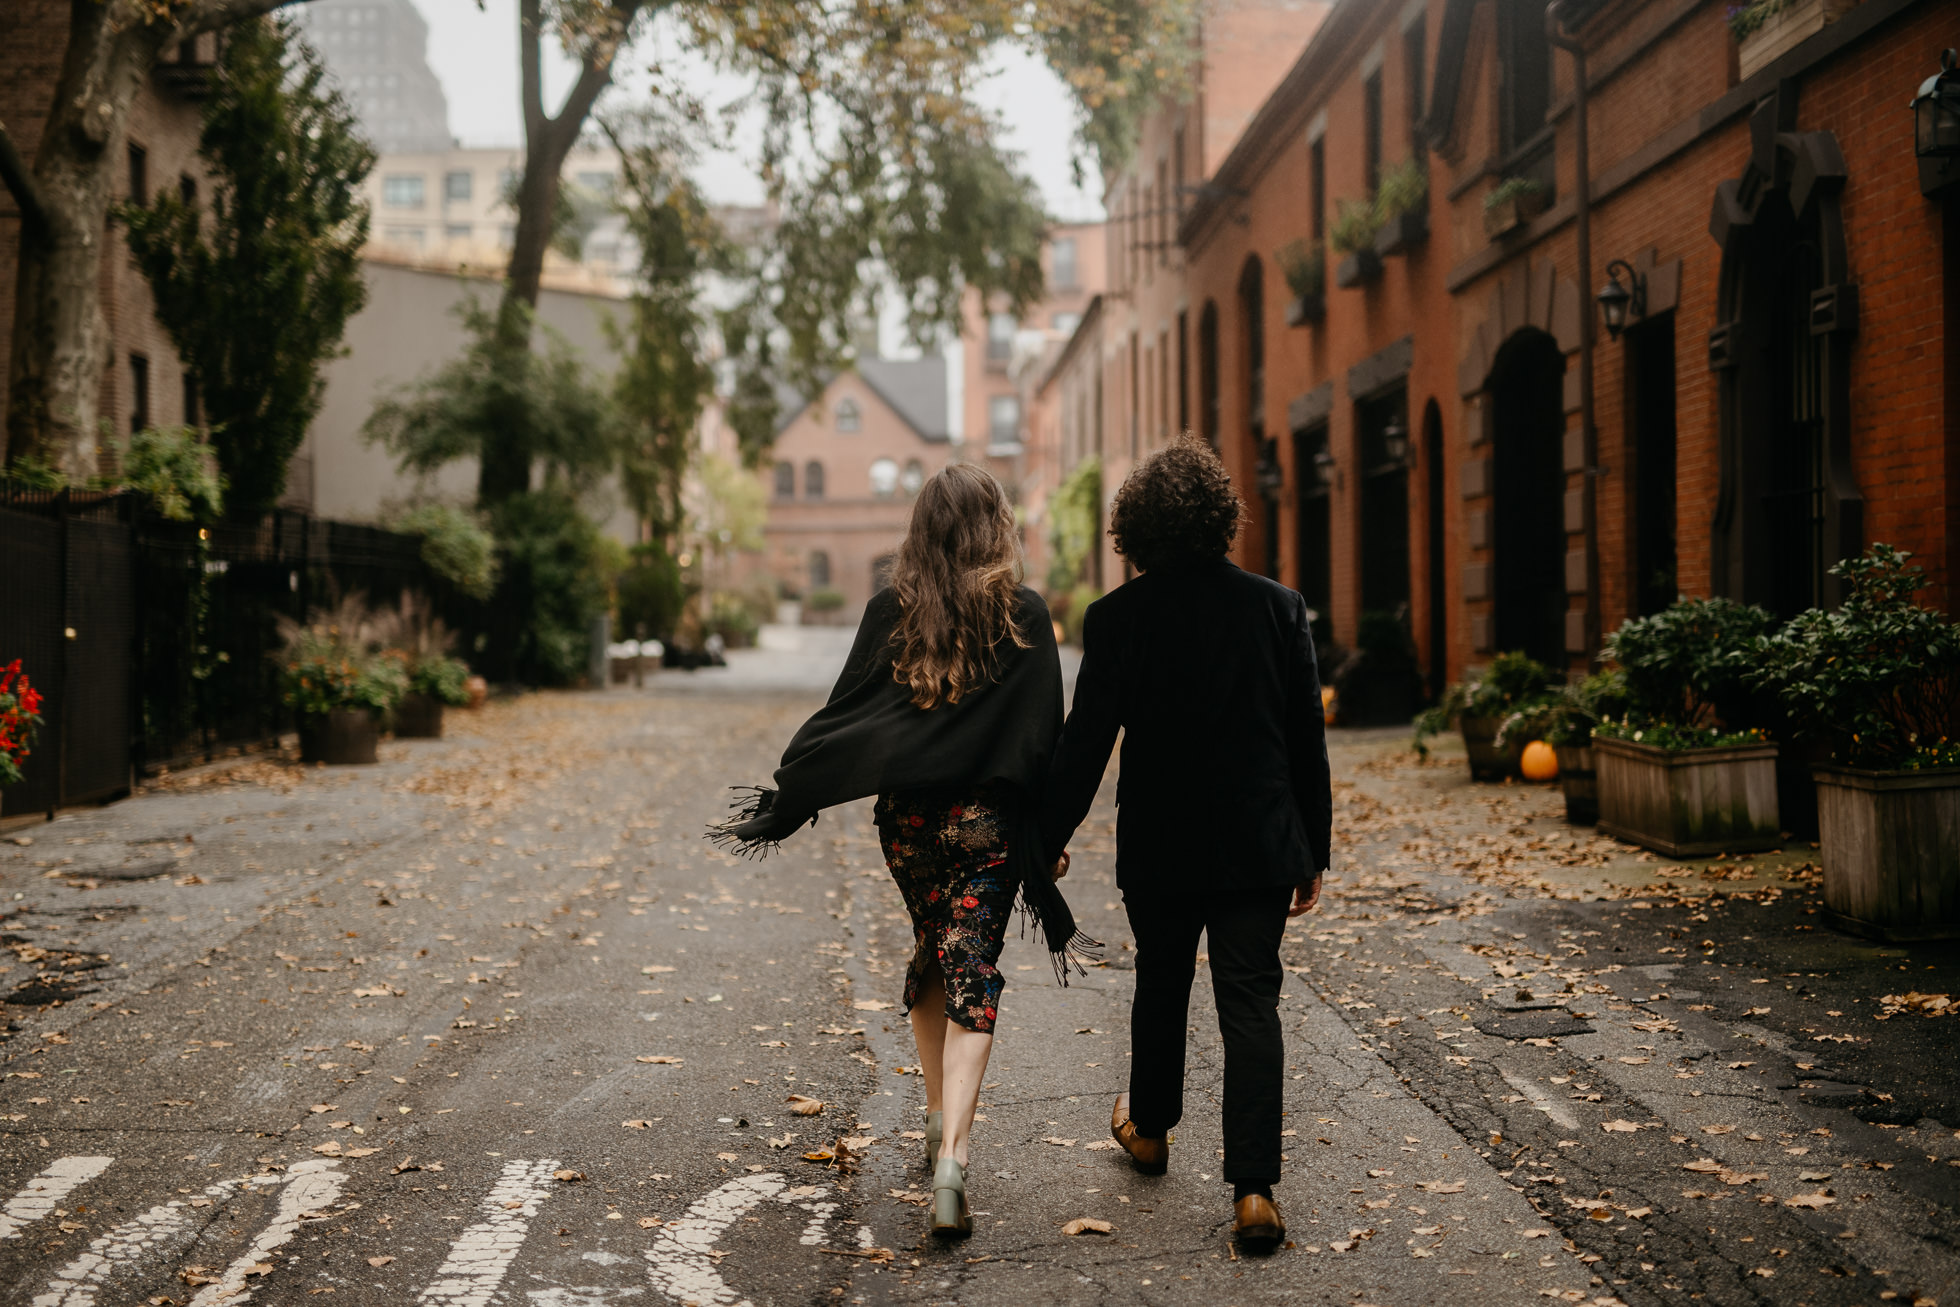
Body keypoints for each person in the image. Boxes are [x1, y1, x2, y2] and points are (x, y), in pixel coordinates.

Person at [711, 463, 1087, 1240]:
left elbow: (847, 710)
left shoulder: (892, 609)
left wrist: (794, 786)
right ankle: (952, 1153)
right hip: (986, 828)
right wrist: (1045, 840)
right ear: (997, 527)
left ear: (920, 531)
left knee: (934, 948)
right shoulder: (1022, 612)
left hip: (910, 830)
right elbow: (1042, 738)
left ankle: (934, 1116)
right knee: (971, 966)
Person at [1041, 435, 1332, 1253]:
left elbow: (1085, 744)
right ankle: (1253, 1191)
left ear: (1134, 530)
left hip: (1162, 844)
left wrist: (1046, 840)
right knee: (1250, 1001)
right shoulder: (1277, 607)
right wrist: (1312, 848)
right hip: (1259, 841)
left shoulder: (1118, 618)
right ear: (1221, 518)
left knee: (1161, 983)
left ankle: (1152, 1131)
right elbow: (1305, 737)